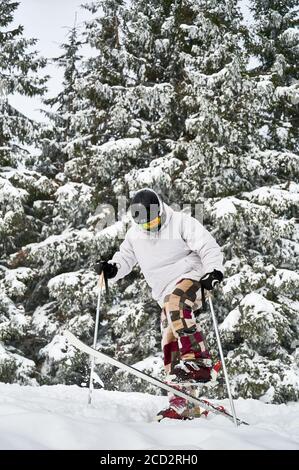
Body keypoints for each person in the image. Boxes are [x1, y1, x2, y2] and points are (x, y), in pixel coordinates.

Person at [95, 188, 224, 420]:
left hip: (193, 277)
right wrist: (112, 269)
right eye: (144, 225)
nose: (150, 227)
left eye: (153, 221)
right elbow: (124, 259)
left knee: (176, 303)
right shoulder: (135, 235)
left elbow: (208, 246)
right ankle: (182, 403)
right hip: (164, 293)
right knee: (169, 339)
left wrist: (213, 271)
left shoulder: (181, 222)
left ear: (161, 210)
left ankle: (199, 361)